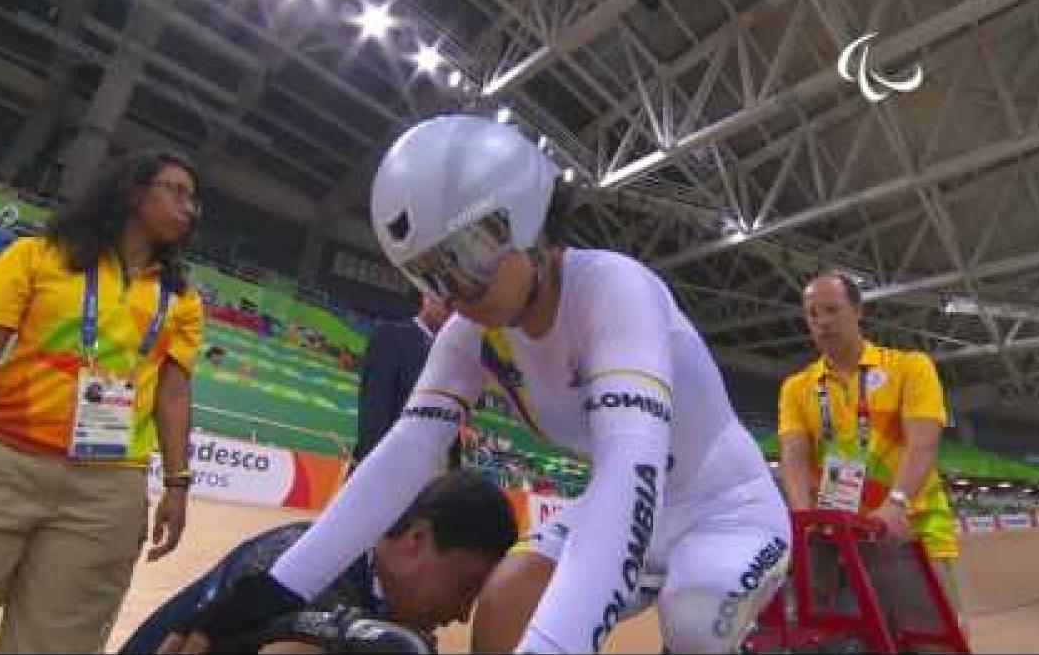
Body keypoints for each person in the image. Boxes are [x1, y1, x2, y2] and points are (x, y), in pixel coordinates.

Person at [158, 115, 790, 654]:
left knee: (696, 614)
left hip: (726, 508)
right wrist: (261, 597)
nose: (454, 291)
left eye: (463, 256)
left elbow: (631, 469)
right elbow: (404, 456)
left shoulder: (613, 289)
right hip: (636, 503)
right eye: (431, 275)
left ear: (527, 220)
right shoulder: (472, 331)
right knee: (505, 599)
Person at [0, 148, 204, 652]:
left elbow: (173, 396)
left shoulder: (183, 300)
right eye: (176, 191)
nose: (189, 208)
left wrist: (177, 485)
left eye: (195, 200)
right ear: (132, 190)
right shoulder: (36, 256)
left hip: (108, 492)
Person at [132, 470, 517, 654]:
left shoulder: (377, 595)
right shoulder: (293, 561)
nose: (464, 614)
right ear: (417, 539)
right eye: (467, 587)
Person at [776, 272, 962, 636]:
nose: (822, 322)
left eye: (832, 310)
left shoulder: (910, 367)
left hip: (909, 528)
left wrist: (896, 503)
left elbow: (922, 443)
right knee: (820, 635)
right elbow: (793, 458)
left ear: (857, 311)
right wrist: (802, 519)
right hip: (833, 536)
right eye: (813, 314)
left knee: (932, 639)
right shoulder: (797, 387)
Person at [352, 294, 458, 473]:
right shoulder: (390, 336)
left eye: (457, 309)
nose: (451, 313)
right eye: (447, 305)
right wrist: (374, 467)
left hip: (433, 476)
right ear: (427, 297)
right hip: (388, 466)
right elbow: (375, 408)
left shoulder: (456, 355)